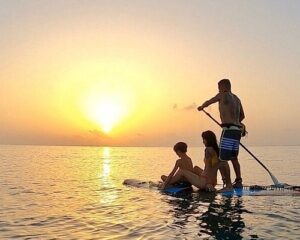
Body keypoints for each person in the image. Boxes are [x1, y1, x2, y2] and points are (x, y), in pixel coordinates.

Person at [197, 79, 245, 191]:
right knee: (234, 158)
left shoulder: (222, 94)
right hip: (237, 130)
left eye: (218, 87)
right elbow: (242, 116)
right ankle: (238, 181)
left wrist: (201, 107)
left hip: (228, 131)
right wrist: (234, 122)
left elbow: (209, 101)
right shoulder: (237, 99)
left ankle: (227, 184)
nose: (218, 89)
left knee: (222, 158)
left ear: (223, 86)